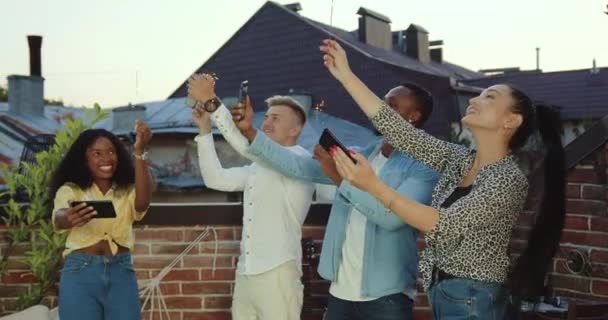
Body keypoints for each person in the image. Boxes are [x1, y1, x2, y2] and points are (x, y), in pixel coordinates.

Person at [320, 39, 566, 319]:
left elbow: (443, 224)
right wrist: (346, 76)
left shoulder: (507, 179)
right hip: (446, 292)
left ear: (511, 121)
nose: (474, 99)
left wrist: (372, 185)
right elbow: (400, 131)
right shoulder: (459, 159)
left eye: (490, 97)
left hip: (475, 298)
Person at [215, 77, 438, 319]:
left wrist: (340, 178)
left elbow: (392, 219)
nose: (381, 110)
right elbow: (297, 167)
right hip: (340, 291)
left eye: (392, 105)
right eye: (381, 103)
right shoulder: (366, 153)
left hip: (386, 296)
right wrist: (249, 131)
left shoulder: (424, 165)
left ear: (413, 117)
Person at [187, 74, 315, 320]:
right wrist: (204, 132)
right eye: (265, 117)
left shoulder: (301, 160)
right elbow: (215, 179)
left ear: (295, 129)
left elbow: (244, 145)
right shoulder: (260, 166)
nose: (266, 123)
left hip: (278, 273)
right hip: (246, 272)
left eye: (275, 118)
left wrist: (211, 101)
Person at [50, 122, 153, 320]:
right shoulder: (71, 190)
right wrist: (69, 217)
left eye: (111, 152)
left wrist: (139, 151)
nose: (106, 158)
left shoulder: (127, 191)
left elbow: (142, 203)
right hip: (80, 273)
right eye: (97, 153)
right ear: (84, 159)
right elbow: (59, 216)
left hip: (121, 271)